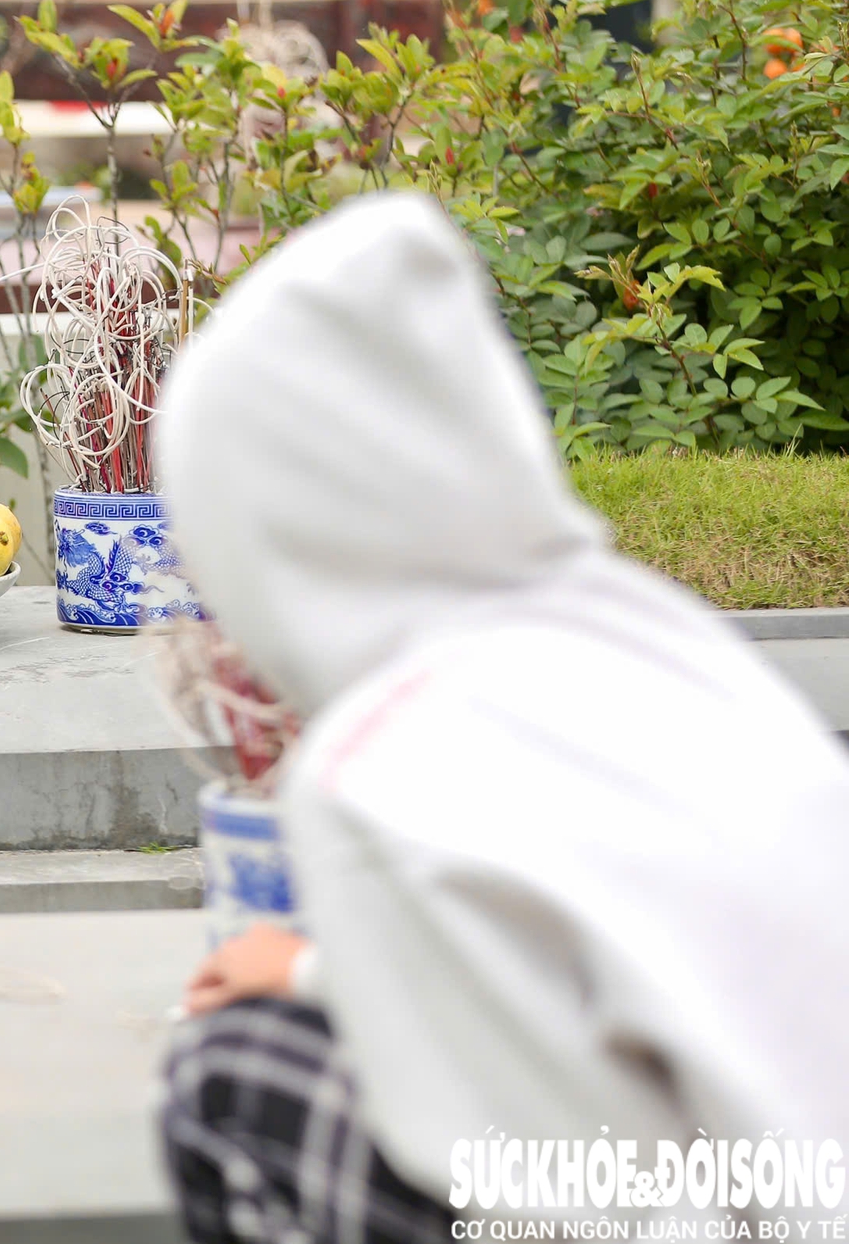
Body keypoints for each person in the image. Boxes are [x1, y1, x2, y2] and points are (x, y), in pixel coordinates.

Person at [150, 192, 849, 1241]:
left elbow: (582, 1210)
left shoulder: (378, 769)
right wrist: (314, 972)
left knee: (231, 1072)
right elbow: (648, 969)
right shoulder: (642, 632)